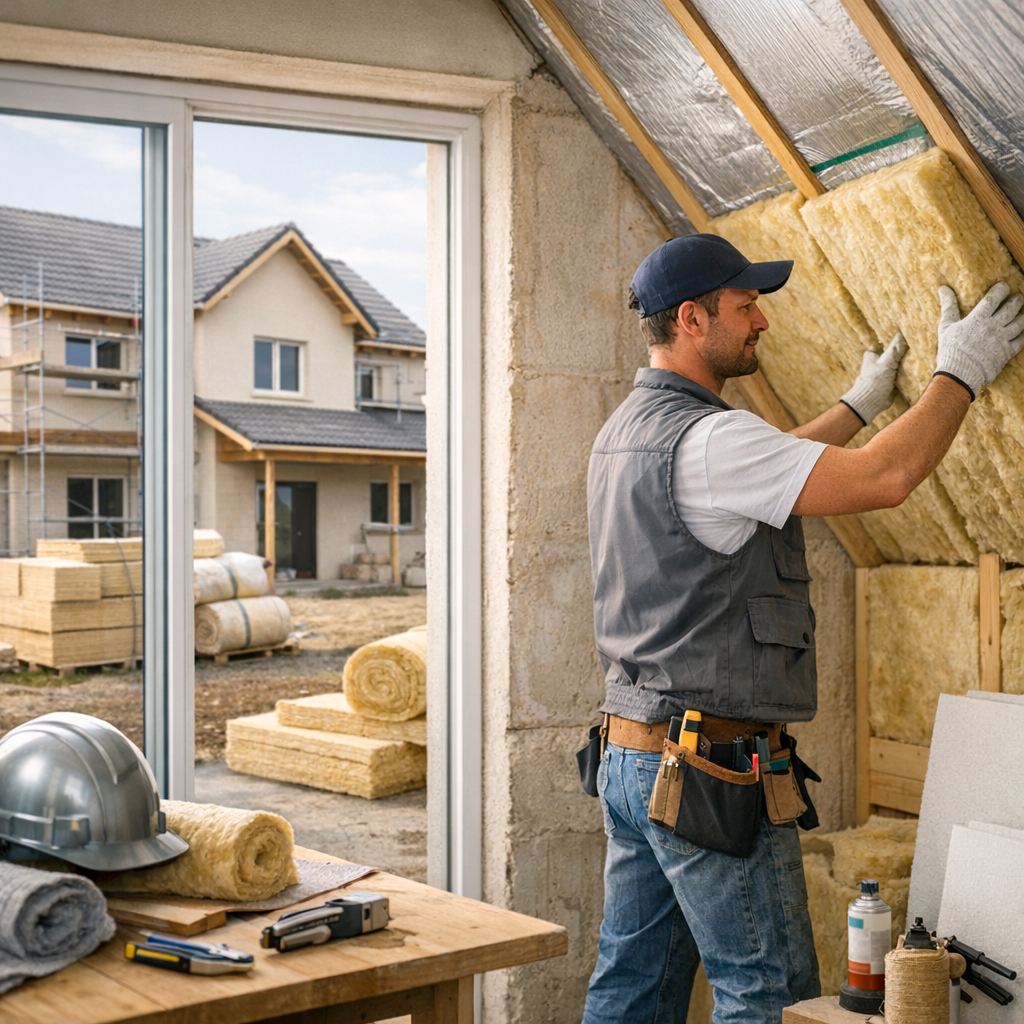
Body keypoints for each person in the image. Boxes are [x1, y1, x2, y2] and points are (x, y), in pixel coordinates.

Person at [582, 233, 1024, 1024]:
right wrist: (958, 372)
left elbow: (764, 471)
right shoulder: (713, 437)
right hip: (708, 773)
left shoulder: (627, 433)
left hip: (631, 753)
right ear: (691, 318)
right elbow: (887, 480)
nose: (763, 323)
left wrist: (857, 406)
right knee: (766, 994)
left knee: (633, 990)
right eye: (746, 306)